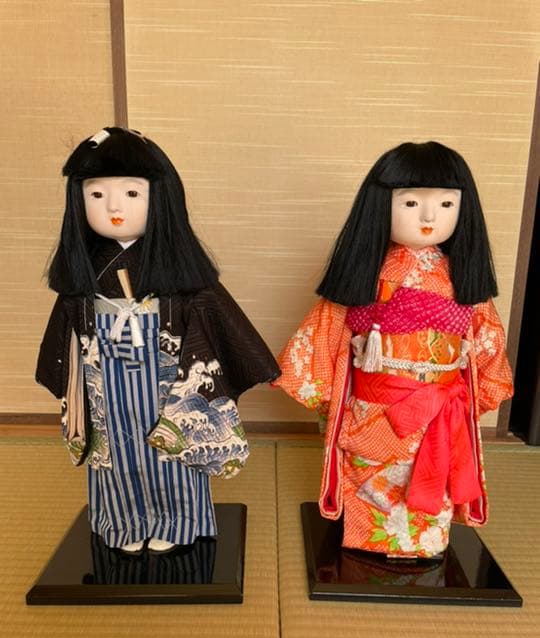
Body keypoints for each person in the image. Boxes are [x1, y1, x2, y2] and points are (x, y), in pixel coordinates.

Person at [36, 127, 279, 553]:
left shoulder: (175, 267)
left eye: (132, 193)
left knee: (173, 450)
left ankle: (178, 521)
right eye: (96, 194)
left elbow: (218, 318)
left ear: (160, 197)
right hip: (104, 382)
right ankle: (122, 523)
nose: (113, 206)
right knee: (115, 454)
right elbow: (65, 334)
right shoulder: (86, 272)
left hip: (166, 380)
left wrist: (257, 365)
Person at [274, 141, 513, 558]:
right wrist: (327, 398)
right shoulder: (366, 274)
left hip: (438, 412)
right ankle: (368, 541)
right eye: (411, 203)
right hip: (375, 409)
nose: (428, 217)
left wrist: (479, 393)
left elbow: (486, 347)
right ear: (380, 205)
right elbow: (324, 336)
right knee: (370, 476)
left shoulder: (460, 280)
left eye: (446, 204)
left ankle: (423, 544)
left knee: (431, 477)